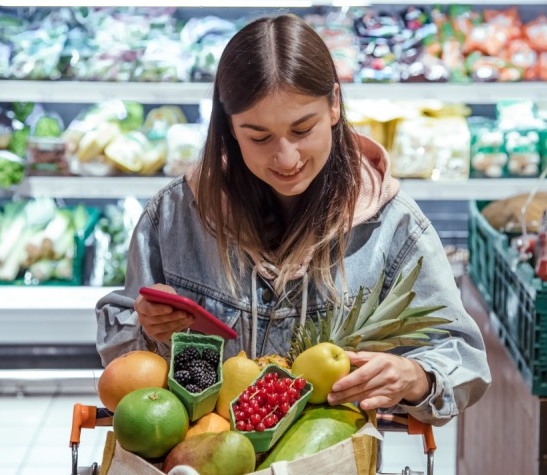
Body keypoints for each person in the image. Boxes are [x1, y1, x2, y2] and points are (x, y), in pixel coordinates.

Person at [96, 14, 490, 425]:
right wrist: (149, 331)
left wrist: (416, 376)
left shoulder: (395, 226)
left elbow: (460, 354)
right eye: (259, 137)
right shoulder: (175, 215)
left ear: (334, 104)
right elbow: (121, 354)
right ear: (229, 128)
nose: (286, 159)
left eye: (303, 129)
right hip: (203, 453)